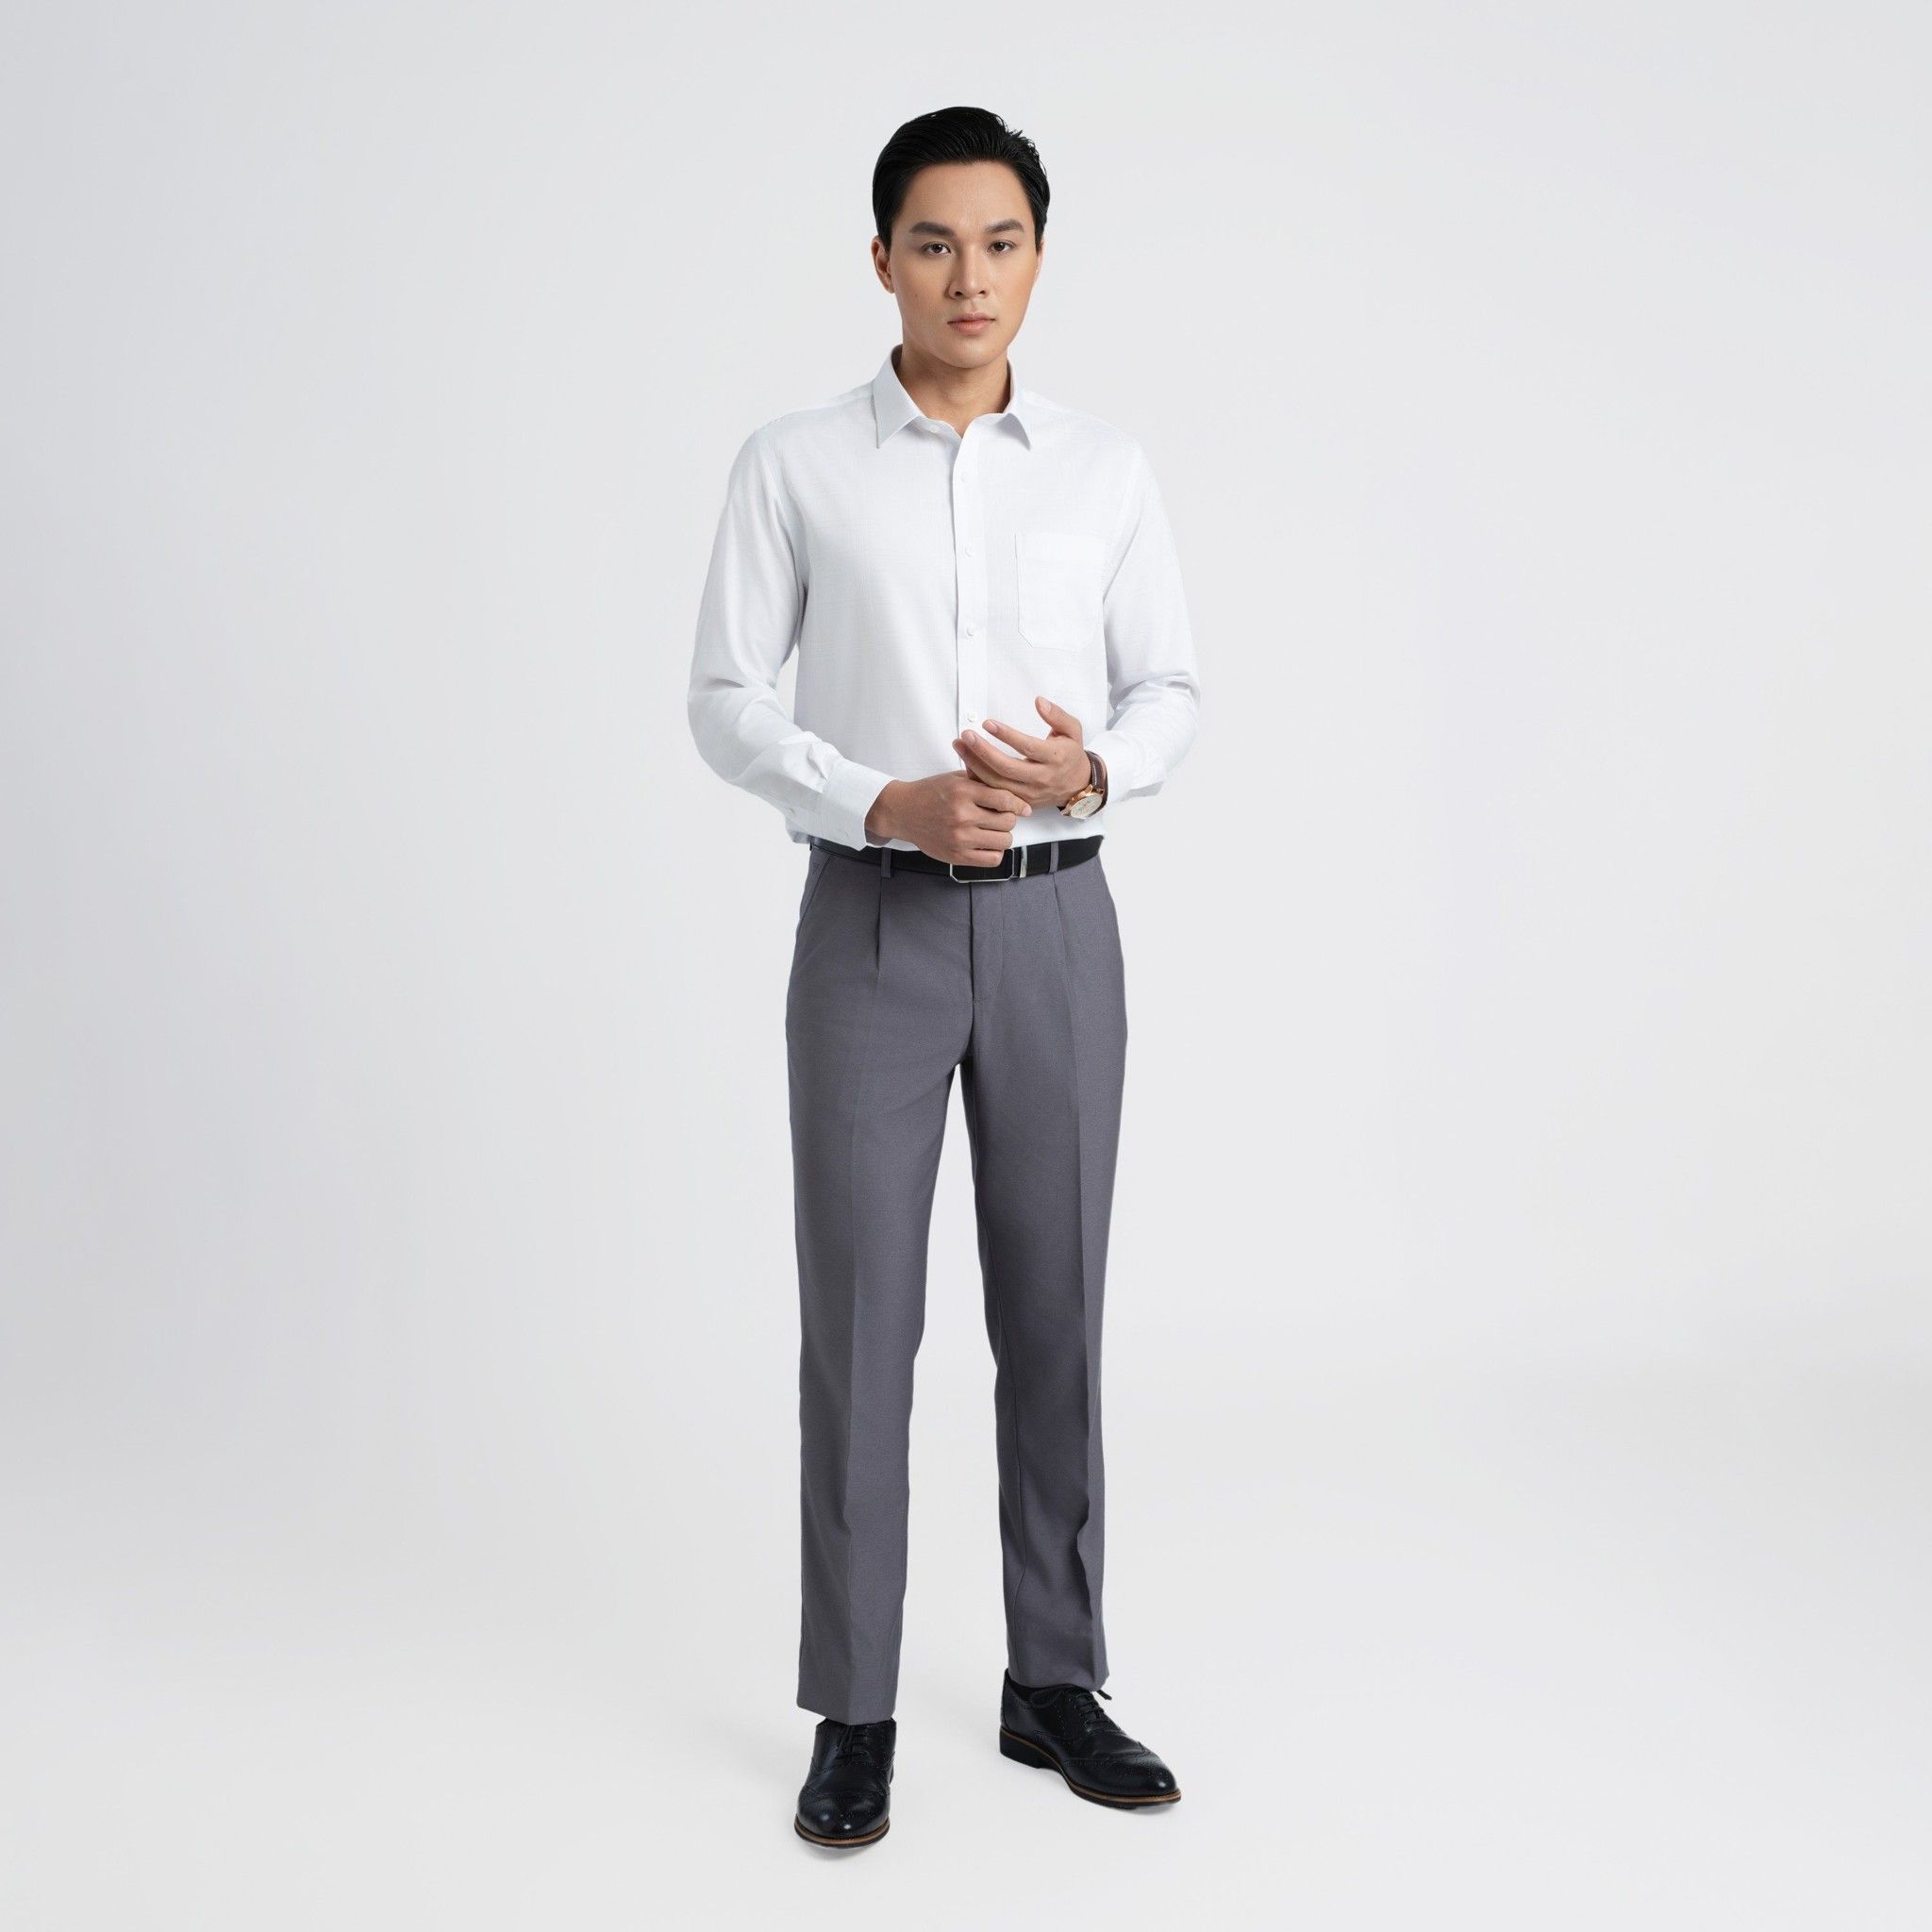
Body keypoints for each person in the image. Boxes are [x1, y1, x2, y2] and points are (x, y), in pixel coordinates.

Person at [687, 105, 1203, 1848]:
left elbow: (1172, 690)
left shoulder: (1105, 471)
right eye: (933, 242)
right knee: (863, 1328)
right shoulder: (796, 464)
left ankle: (1054, 1680)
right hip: (875, 925)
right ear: (883, 259)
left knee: (1056, 1311)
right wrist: (878, 798)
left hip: (1059, 925)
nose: (968, 276)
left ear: (1038, 258)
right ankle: (855, 1709)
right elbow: (723, 700)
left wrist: (1093, 768)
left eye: (1000, 242)